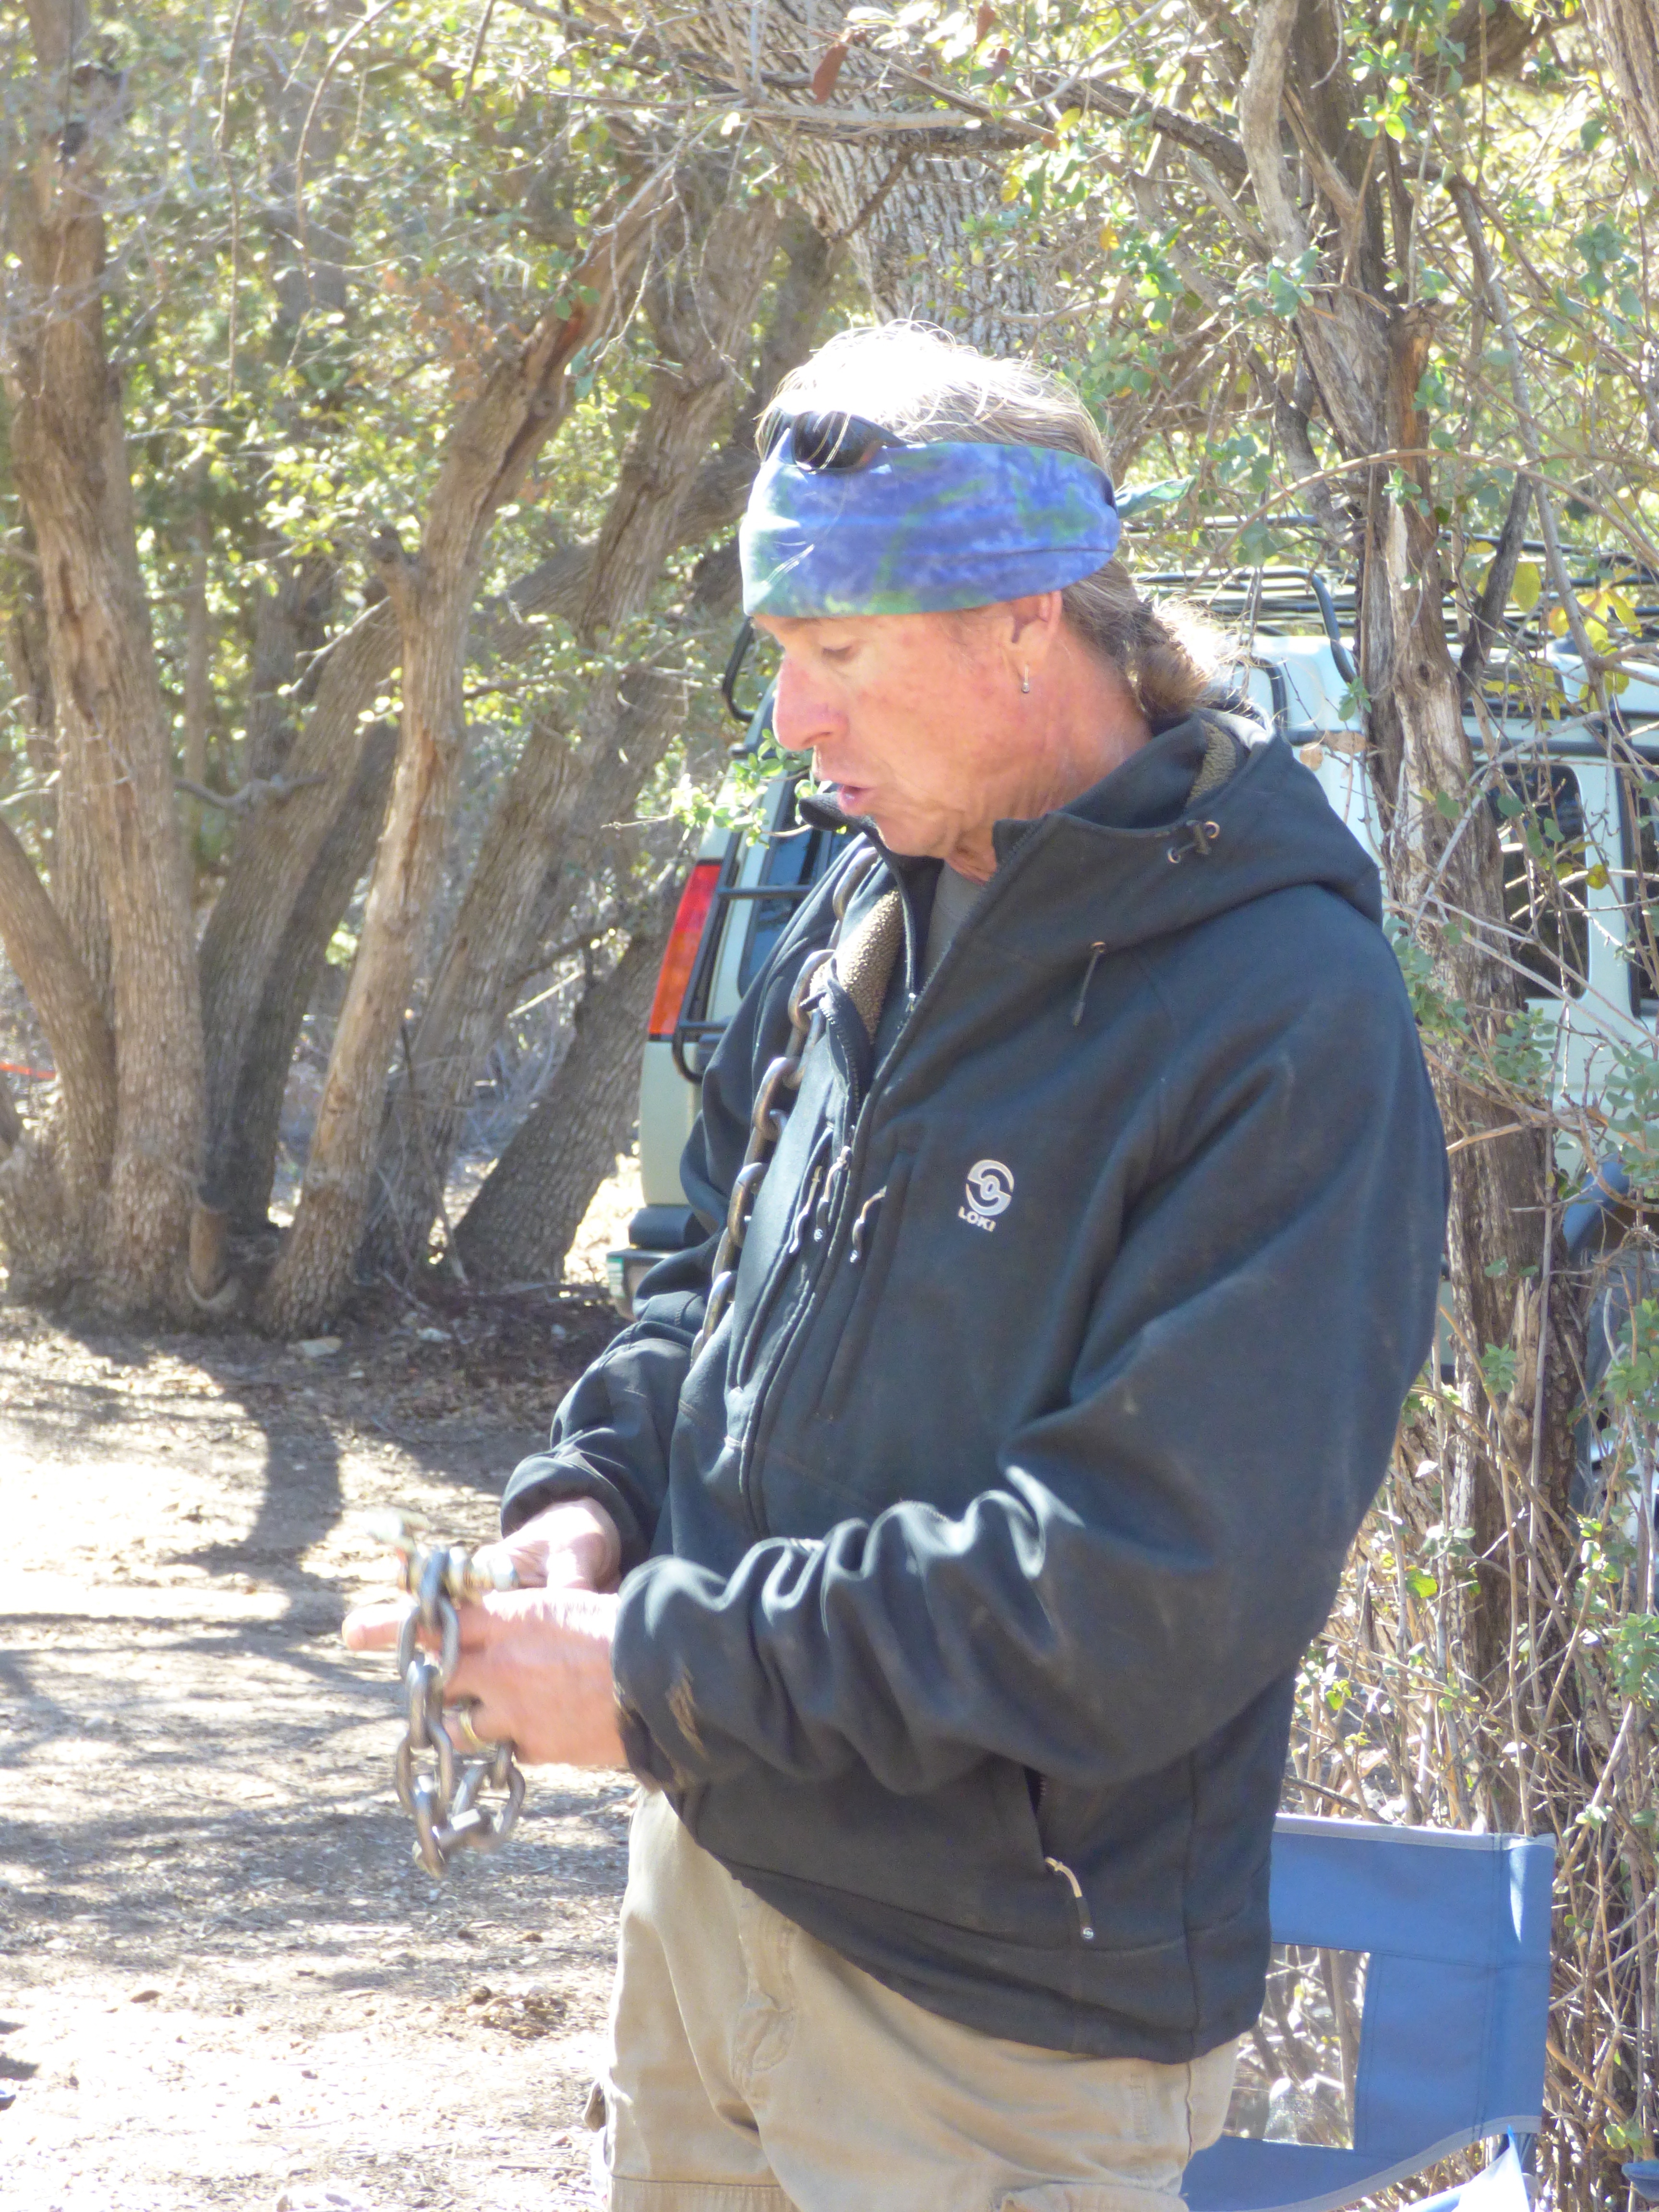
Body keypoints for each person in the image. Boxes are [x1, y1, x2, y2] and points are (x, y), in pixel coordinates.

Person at [345, 324, 1448, 2212]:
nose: (793, 718)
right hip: (711, 1910)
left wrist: (660, 1671)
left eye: (838, 654)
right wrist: (592, 1501)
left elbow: (1145, 1587)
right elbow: (704, 1281)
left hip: (994, 2033)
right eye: (779, 653)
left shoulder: (1285, 1017)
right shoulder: (874, 906)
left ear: (1026, 628)